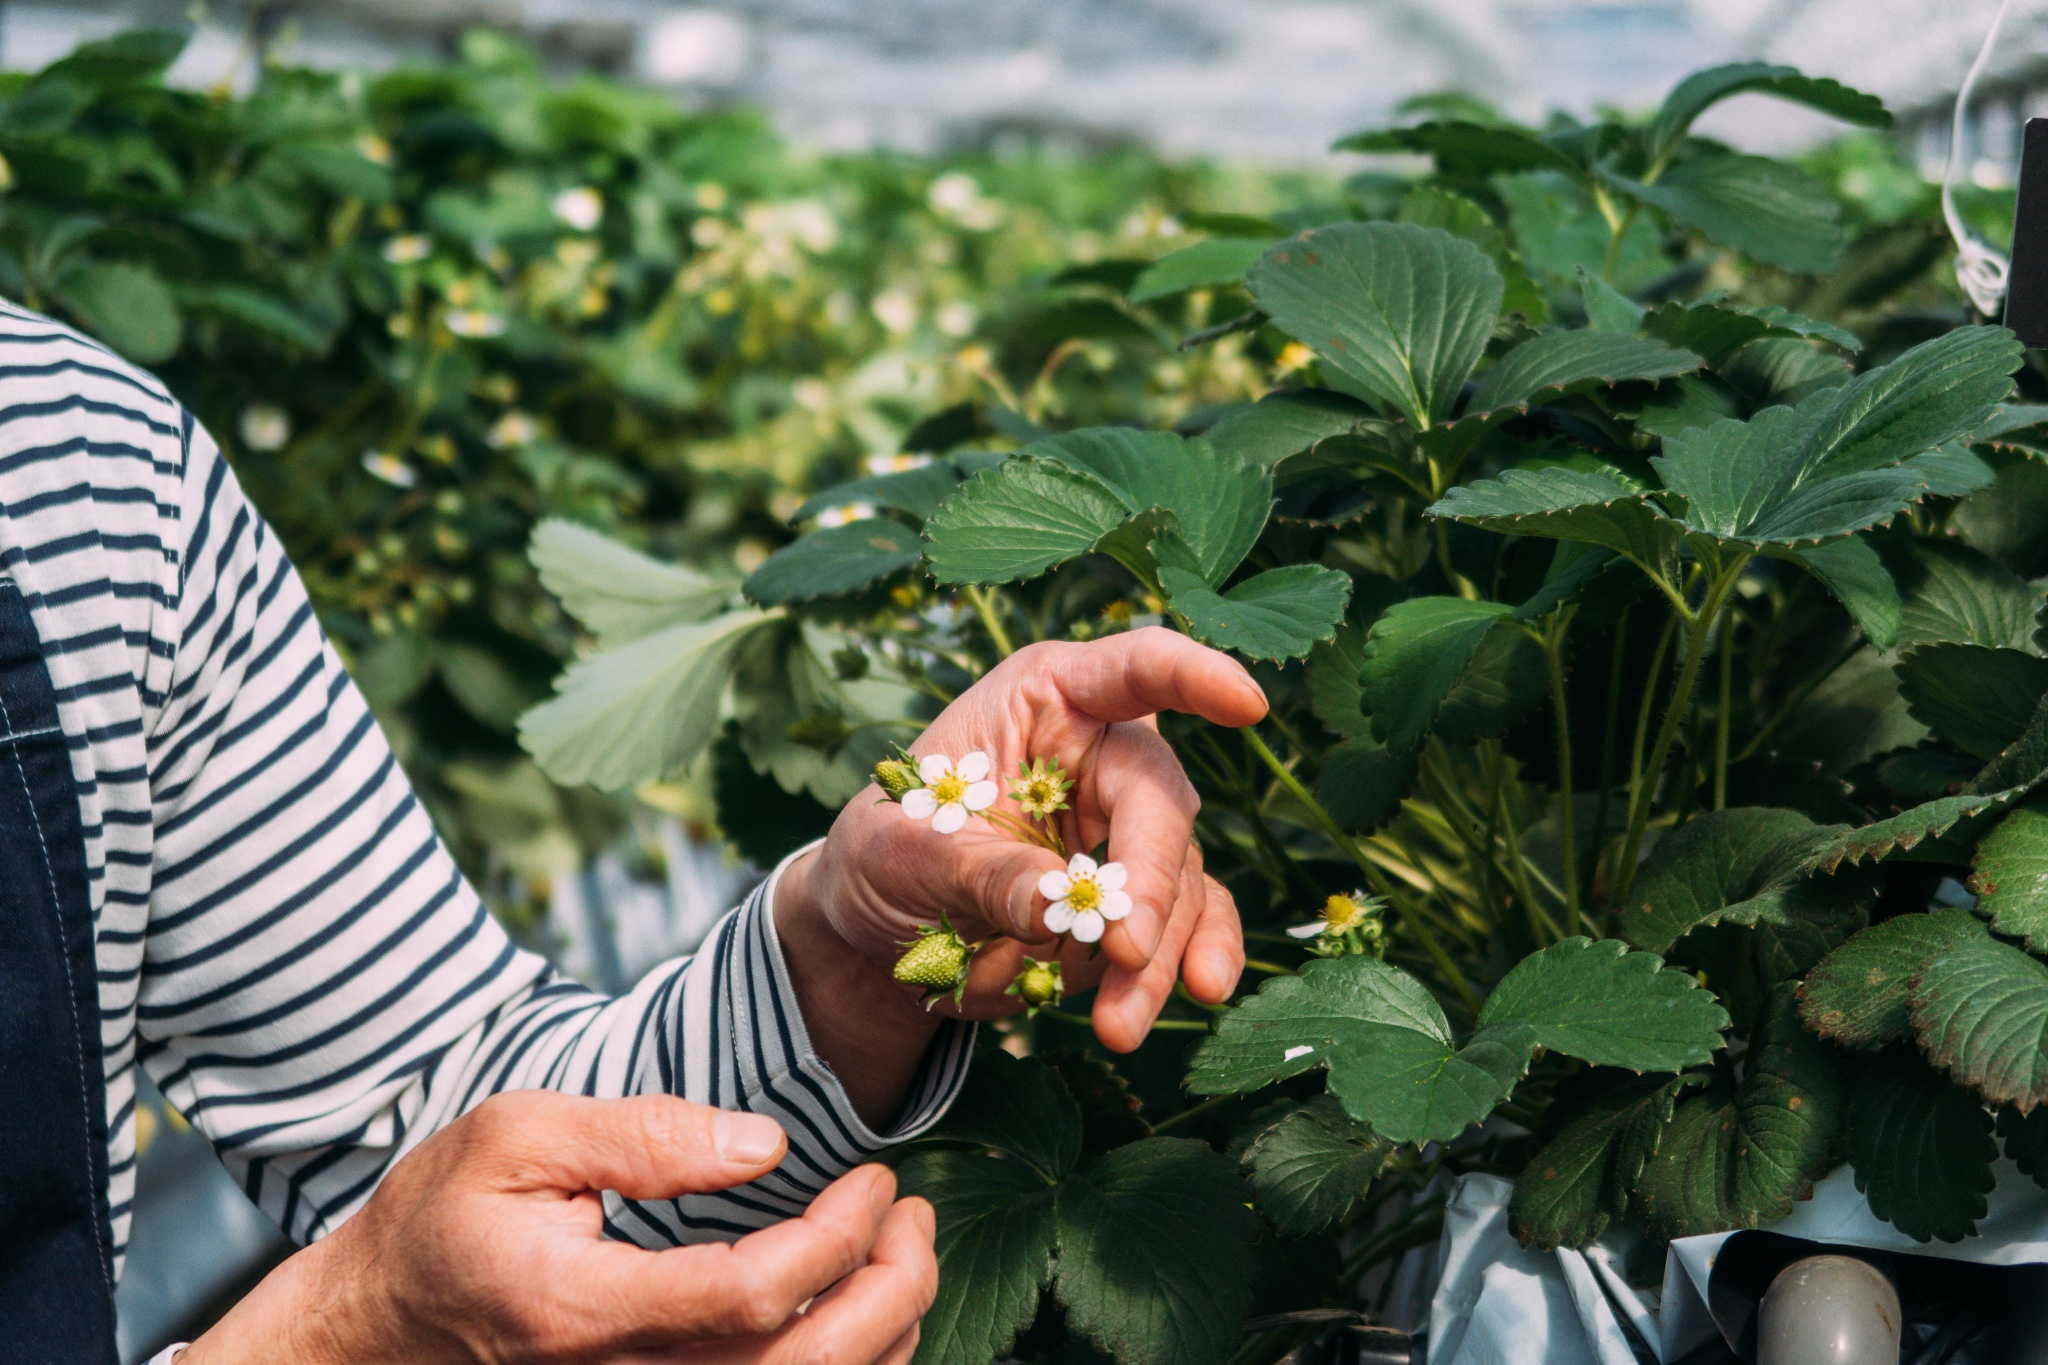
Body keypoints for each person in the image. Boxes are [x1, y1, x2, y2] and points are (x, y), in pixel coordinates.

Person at [0, 299, 1262, 1364]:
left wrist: (847, 954)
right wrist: (337, 1331)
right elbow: (384, 1282)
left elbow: (425, 1117)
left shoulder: (89, 468)